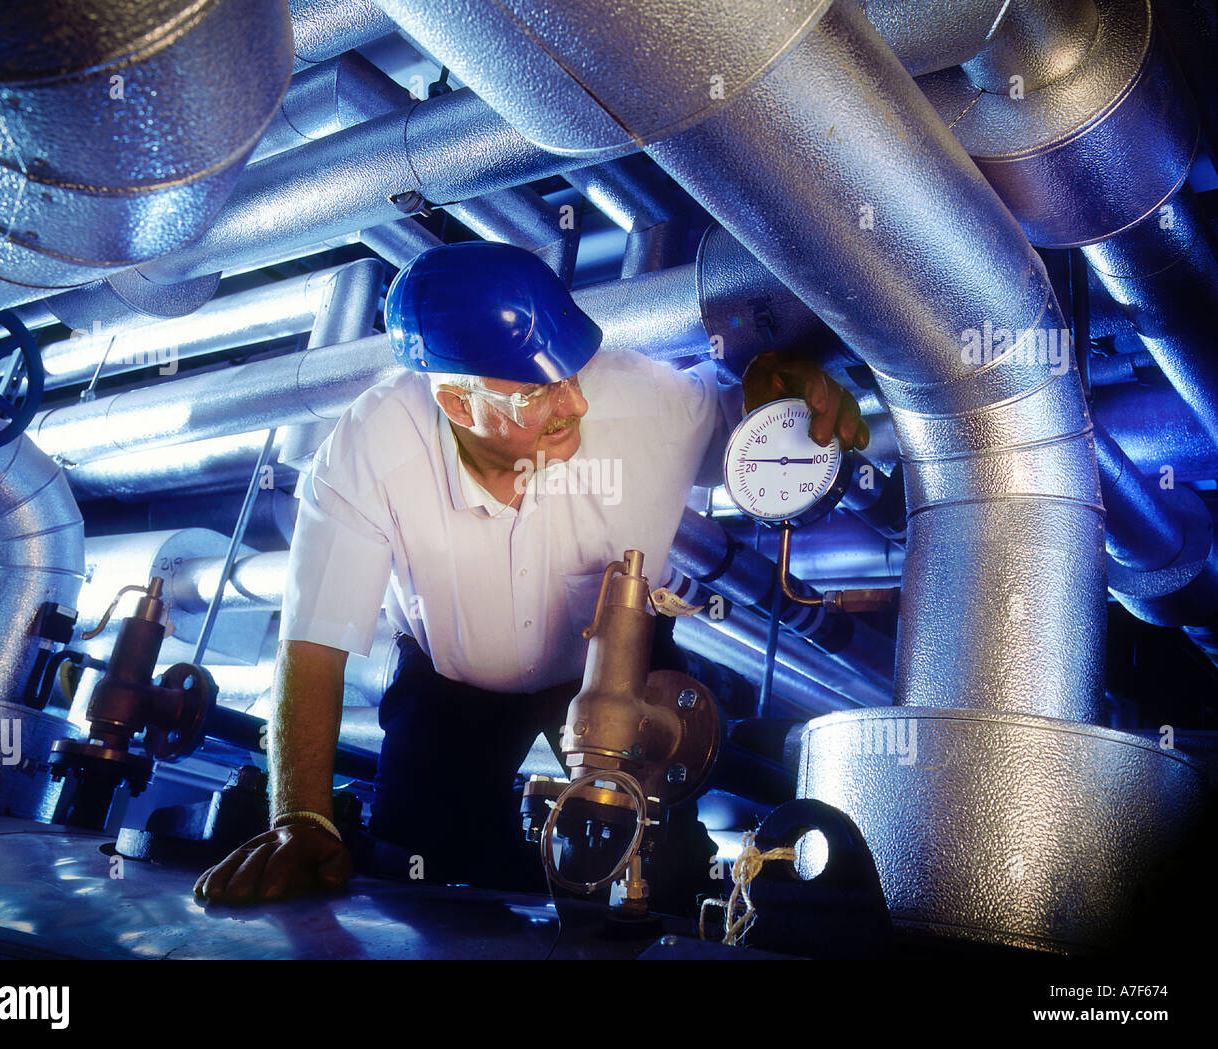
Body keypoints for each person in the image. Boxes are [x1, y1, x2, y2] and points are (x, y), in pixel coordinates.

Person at [194, 241, 867, 904]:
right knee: (419, 866)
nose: (575, 403)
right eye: (544, 387)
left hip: (620, 665)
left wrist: (791, 390)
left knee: (659, 874)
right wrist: (301, 819)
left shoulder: (643, 405)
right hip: (454, 686)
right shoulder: (367, 452)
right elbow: (314, 646)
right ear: (459, 405)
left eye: (574, 370)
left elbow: (744, 406)